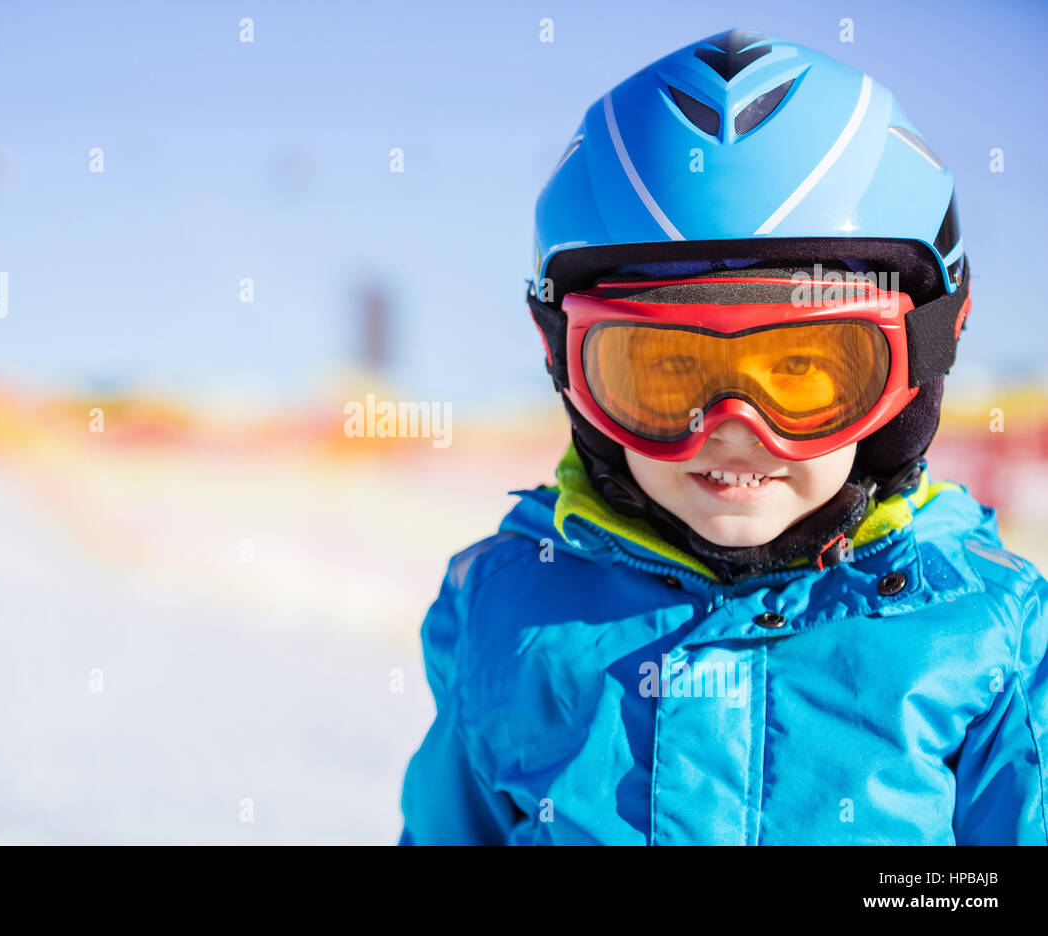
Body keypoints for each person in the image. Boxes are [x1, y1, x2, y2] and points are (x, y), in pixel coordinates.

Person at [399, 30, 1048, 845]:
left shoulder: (982, 635)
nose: (734, 432)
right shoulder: (512, 617)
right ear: (570, 371)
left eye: (806, 373)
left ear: (915, 368)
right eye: (664, 373)